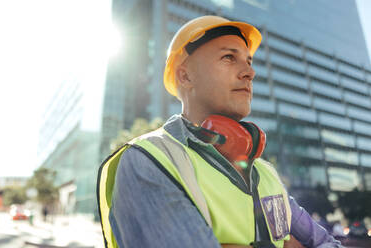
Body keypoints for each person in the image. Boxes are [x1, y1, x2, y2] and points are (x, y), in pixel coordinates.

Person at [97, 16, 343, 248]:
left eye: (248, 61)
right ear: (185, 75)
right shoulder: (147, 160)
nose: (250, 72)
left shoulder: (264, 172)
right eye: (228, 57)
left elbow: (329, 243)